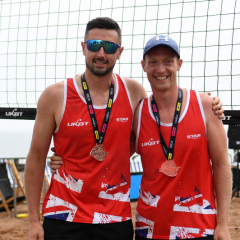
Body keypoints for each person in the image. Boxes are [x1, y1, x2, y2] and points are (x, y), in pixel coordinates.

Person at [25, 16, 224, 240]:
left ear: (119, 52)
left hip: (114, 218)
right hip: (64, 215)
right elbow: (35, 158)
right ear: (83, 48)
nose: (101, 53)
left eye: (109, 47)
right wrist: (33, 220)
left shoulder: (133, 92)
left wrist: (210, 104)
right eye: (94, 45)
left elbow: (163, 117)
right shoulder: (55, 95)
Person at [131, 35, 231, 239]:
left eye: (168, 61)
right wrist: (62, 159)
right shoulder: (137, 112)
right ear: (144, 66)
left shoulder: (205, 105)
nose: (160, 69)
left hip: (198, 229)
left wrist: (223, 224)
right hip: (149, 230)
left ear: (179, 64)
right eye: (153, 62)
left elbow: (221, 164)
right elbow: (111, 153)